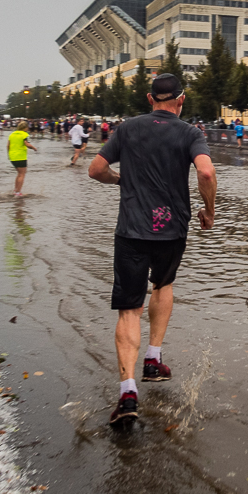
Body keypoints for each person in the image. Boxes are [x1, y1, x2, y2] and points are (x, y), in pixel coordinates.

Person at [87, 73, 216, 429]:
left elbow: (95, 169)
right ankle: (153, 360)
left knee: (129, 309)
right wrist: (209, 210)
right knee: (163, 285)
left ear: (149, 98)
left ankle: (128, 392)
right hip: (172, 229)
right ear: (181, 99)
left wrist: (119, 180)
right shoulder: (191, 133)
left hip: (131, 230)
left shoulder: (128, 128)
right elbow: (205, 172)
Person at [7, 121, 38, 197]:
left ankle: (16, 190)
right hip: (20, 156)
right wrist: (34, 148)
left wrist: (9, 154)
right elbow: (26, 144)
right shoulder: (24, 134)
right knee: (22, 174)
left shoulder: (12, 134)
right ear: (25, 128)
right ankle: (18, 192)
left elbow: (8, 145)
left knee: (19, 174)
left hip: (12, 157)